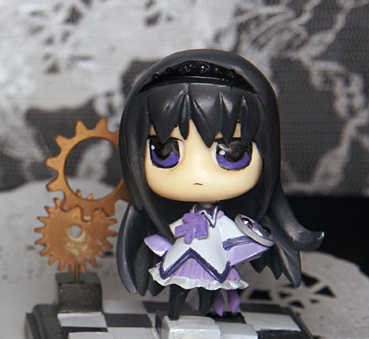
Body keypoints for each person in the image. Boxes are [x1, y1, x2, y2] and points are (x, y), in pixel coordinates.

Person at [116, 49, 322, 319]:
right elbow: (174, 230)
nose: (197, 176)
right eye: (165, 152)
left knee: (217, 284)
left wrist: (253, 240)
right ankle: (177, 314)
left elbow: (236, 237)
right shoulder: (186, 217)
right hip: (184, 254)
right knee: (178, 286)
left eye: (231, 153)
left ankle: (218, 309)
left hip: (212, 257)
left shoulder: (222, 221)